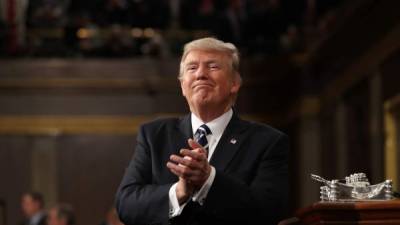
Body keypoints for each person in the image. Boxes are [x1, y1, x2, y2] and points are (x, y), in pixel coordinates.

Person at [115, 37, 289, 225]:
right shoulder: (154, 135)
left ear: (234, 83)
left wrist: (209, 180)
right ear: (182, 85)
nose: (200, 75)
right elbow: (126, 204)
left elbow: (268, 212)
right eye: (192, 68)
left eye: (212, 67)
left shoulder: (268, 142)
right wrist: (178, 192)